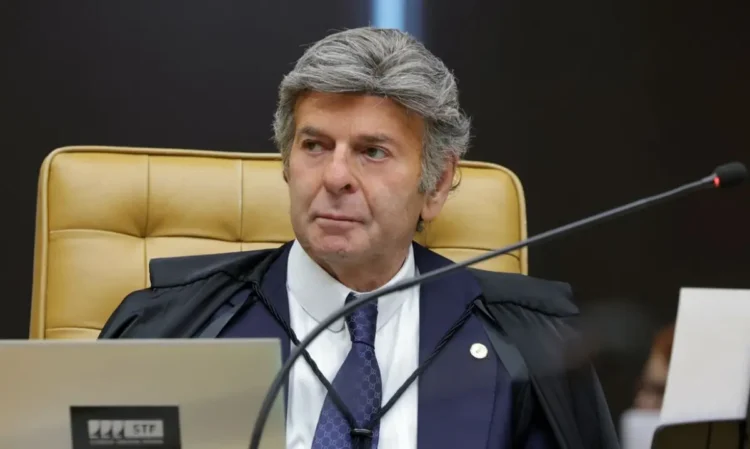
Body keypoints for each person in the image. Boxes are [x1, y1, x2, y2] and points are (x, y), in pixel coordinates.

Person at [99, 27, 618, 449]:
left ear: (437, 184)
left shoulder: (531, 346)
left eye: (372, 151)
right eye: (315, 145)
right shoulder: (172, 331)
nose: (335, 177)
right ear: (286, 163)